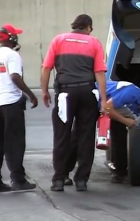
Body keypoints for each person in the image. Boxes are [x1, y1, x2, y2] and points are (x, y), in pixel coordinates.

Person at [41, 14, 108, 192]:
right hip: (87, 93)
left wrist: (44, 91)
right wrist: (103, 99)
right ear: (88, 28)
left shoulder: (58, 40)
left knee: (62, 136)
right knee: (85, 137)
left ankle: (58, 180)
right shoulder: (94, 43)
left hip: (65, 94)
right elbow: (100, 73)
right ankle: (81, 180)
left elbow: (46, 68)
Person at [0, 24, 38, 193]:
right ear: (11, 37)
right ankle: (18, 179)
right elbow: (15, 76)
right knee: (14, 142)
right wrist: (31, 94)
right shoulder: (13, 55)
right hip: (11, 103)